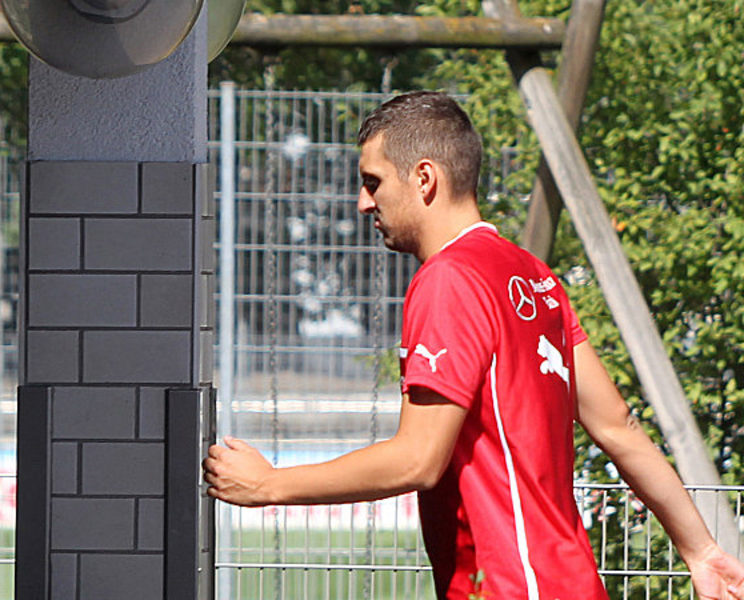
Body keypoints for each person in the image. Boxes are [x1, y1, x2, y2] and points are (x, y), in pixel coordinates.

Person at [203, 91, 744, 599]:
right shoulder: (532, 274)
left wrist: (271, 484)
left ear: (424, 178)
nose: (363, 203)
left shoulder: (449, 281)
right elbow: (618, 426)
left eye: (372, 182)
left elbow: (417, 459)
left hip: (510, 586)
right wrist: (700, 551)